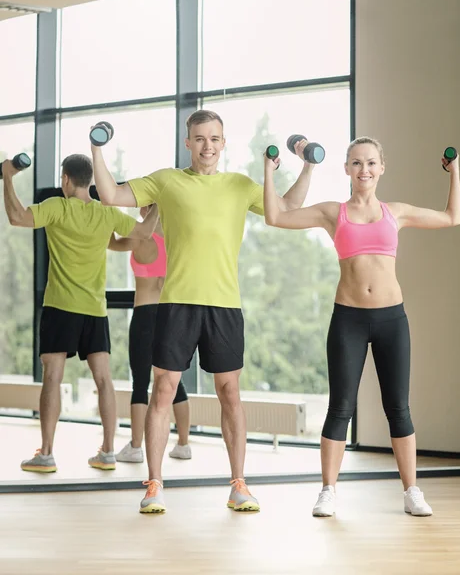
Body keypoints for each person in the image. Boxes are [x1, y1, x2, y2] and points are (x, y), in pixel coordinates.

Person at [91, 109, 315, 514]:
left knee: (230, 393)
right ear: (188, 142)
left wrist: (307, 167)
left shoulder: (240, 185)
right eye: (199, 138)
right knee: (162, 390)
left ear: (223, 143)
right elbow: (111, 195)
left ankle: (238, 485)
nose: (207, 145)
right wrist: (97, 148)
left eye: (214, 138)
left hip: (225, 305)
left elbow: (287, 210)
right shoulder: (166, 180)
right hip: (176, 303)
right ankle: (154, 484)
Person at [263, 137, 460, 517]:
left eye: (371, 163)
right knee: (340, 407)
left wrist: (455, 173)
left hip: (392, 319)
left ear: (382, 167)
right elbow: (275, 216)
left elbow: (452, 216)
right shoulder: (330, 212)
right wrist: (269, 173)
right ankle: (328, 491)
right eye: (356, 163)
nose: (364, 170)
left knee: (398, 408)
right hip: (348, 318)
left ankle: (411, 491)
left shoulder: (396, 212)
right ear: (346, 169)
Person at [2, 154, 158, 473]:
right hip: (95, 311)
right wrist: (159, 206)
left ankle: (46, 453)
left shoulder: (58, 207)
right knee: (103, 380)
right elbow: (142, 233)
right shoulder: (105, 213)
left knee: (53, 378)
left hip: (61, 307)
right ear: (90, 180)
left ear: (66, 180)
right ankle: (109, 451)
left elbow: (17, 217)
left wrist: (6, 177)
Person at [108, 204, 192, 463]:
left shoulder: (139, 238)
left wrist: (107, 211)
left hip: (145, 314)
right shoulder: (178, 240)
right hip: (170, 314)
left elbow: (110, 243)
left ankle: (135, 447)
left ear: (146, 209)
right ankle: (184, 444)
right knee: (172, 380)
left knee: (140, 382)